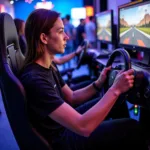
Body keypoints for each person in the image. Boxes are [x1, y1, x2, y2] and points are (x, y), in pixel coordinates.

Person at [19, 9, 148, 150]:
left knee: (115, 102)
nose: (67, 36)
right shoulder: (35, 79)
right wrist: (116, 89)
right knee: (132, 128)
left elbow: (72, 97)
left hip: (66, 125)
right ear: (44, 38)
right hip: (64, 139)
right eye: (61, 31)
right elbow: (83, 126)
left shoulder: (47, 67)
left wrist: (98, 83)